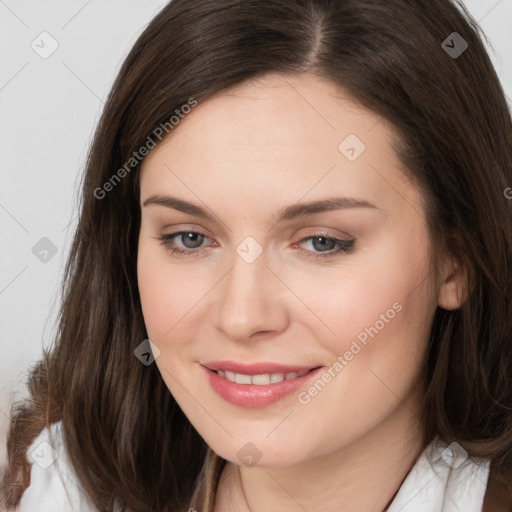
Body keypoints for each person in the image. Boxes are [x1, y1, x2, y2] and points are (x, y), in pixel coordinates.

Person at [2, 0, 512, 511]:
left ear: (456, 259)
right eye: (190, 238)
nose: (242, 317)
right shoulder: (41, 485)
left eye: (321, 242)